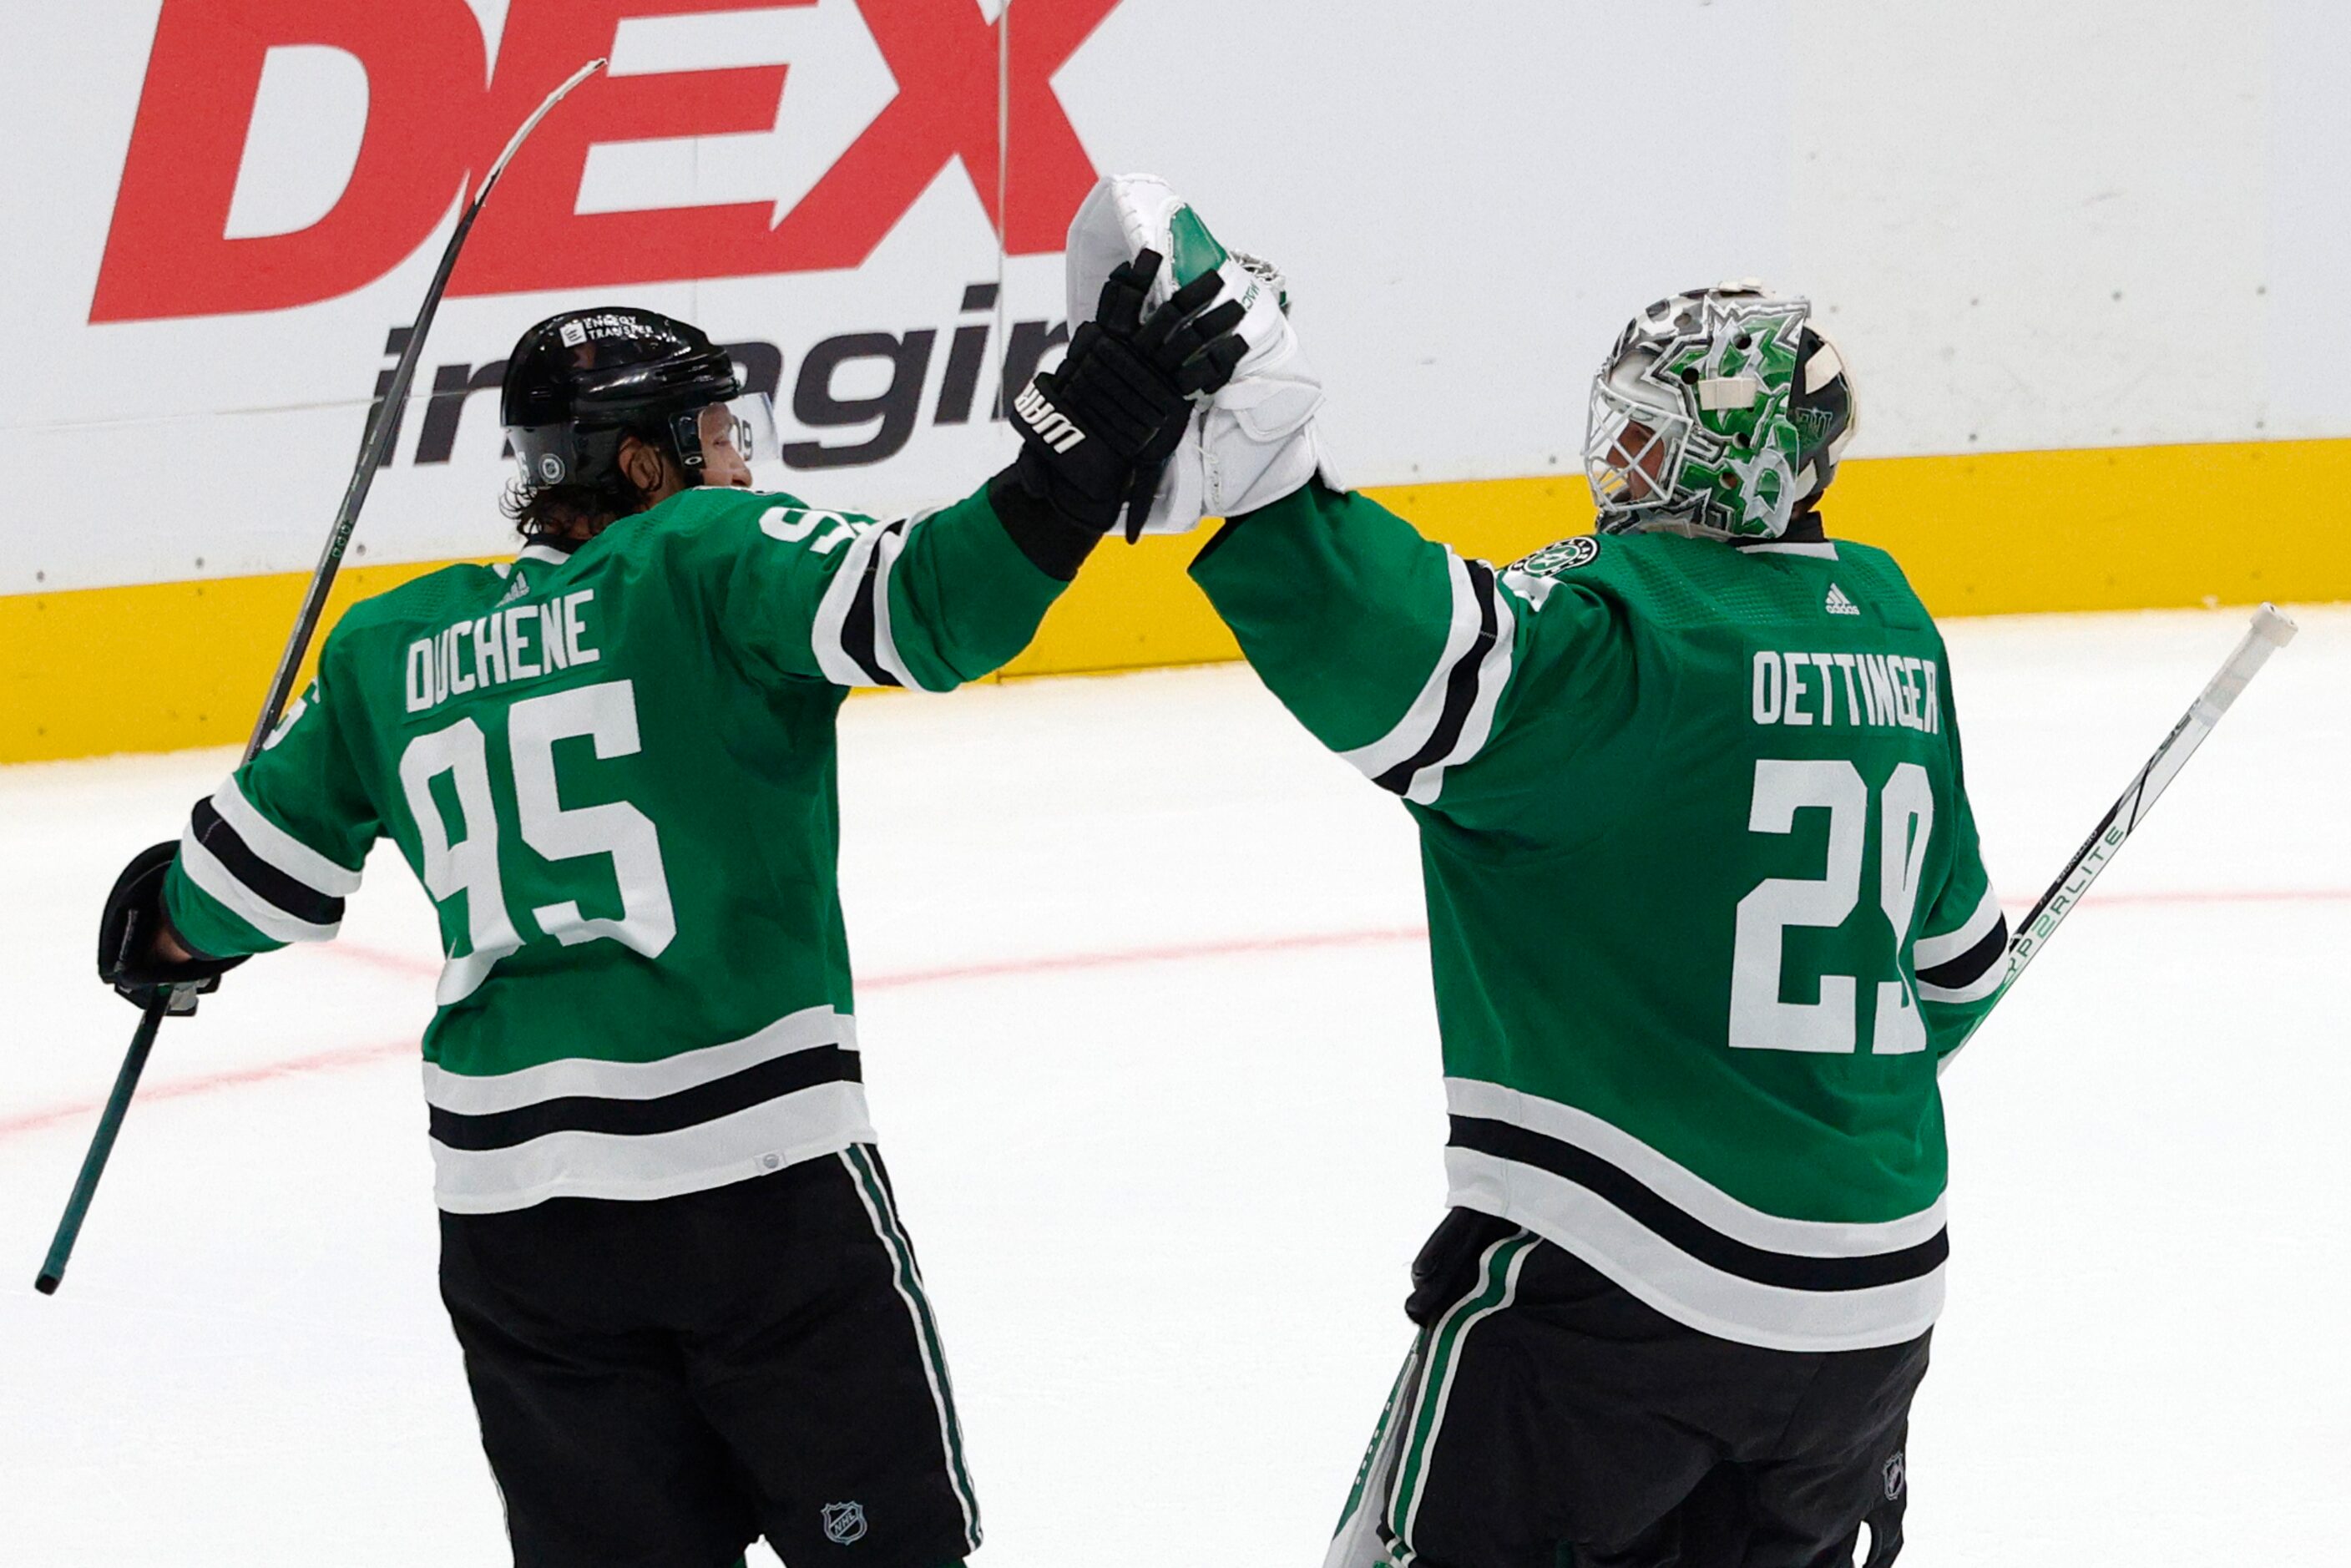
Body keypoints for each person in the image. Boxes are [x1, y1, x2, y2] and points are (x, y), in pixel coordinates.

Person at [94, 269, 1244, 1568]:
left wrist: (157, 917)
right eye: (710, 437)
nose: (735, 463)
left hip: (516, 1231)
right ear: (641, 461)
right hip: (753, 1196)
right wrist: (1072, 450)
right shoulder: (707, 553)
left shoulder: (387, 645)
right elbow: (937, 605)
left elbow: (224, 892)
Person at [1071, 181, 2010, 1567]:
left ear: (1738, 460)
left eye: (1655, 440)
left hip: (1633, 1289)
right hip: (1872, 1317)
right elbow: (1958, 974)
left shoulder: (1625, 652)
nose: (1619, 469)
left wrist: (1256, 468)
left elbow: (1394, 637)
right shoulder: (1893, 628)